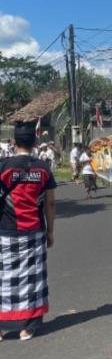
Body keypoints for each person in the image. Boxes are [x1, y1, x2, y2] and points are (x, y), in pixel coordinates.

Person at [0, 121, 57, 341]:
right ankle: (27, 327)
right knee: (32, 279)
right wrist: (50, 230)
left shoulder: (4, 167)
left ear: (14, 142)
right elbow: (50, 203)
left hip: (6, 231)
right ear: (35, 142)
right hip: (33, 231)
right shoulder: (43, 168)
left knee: (4, 278)